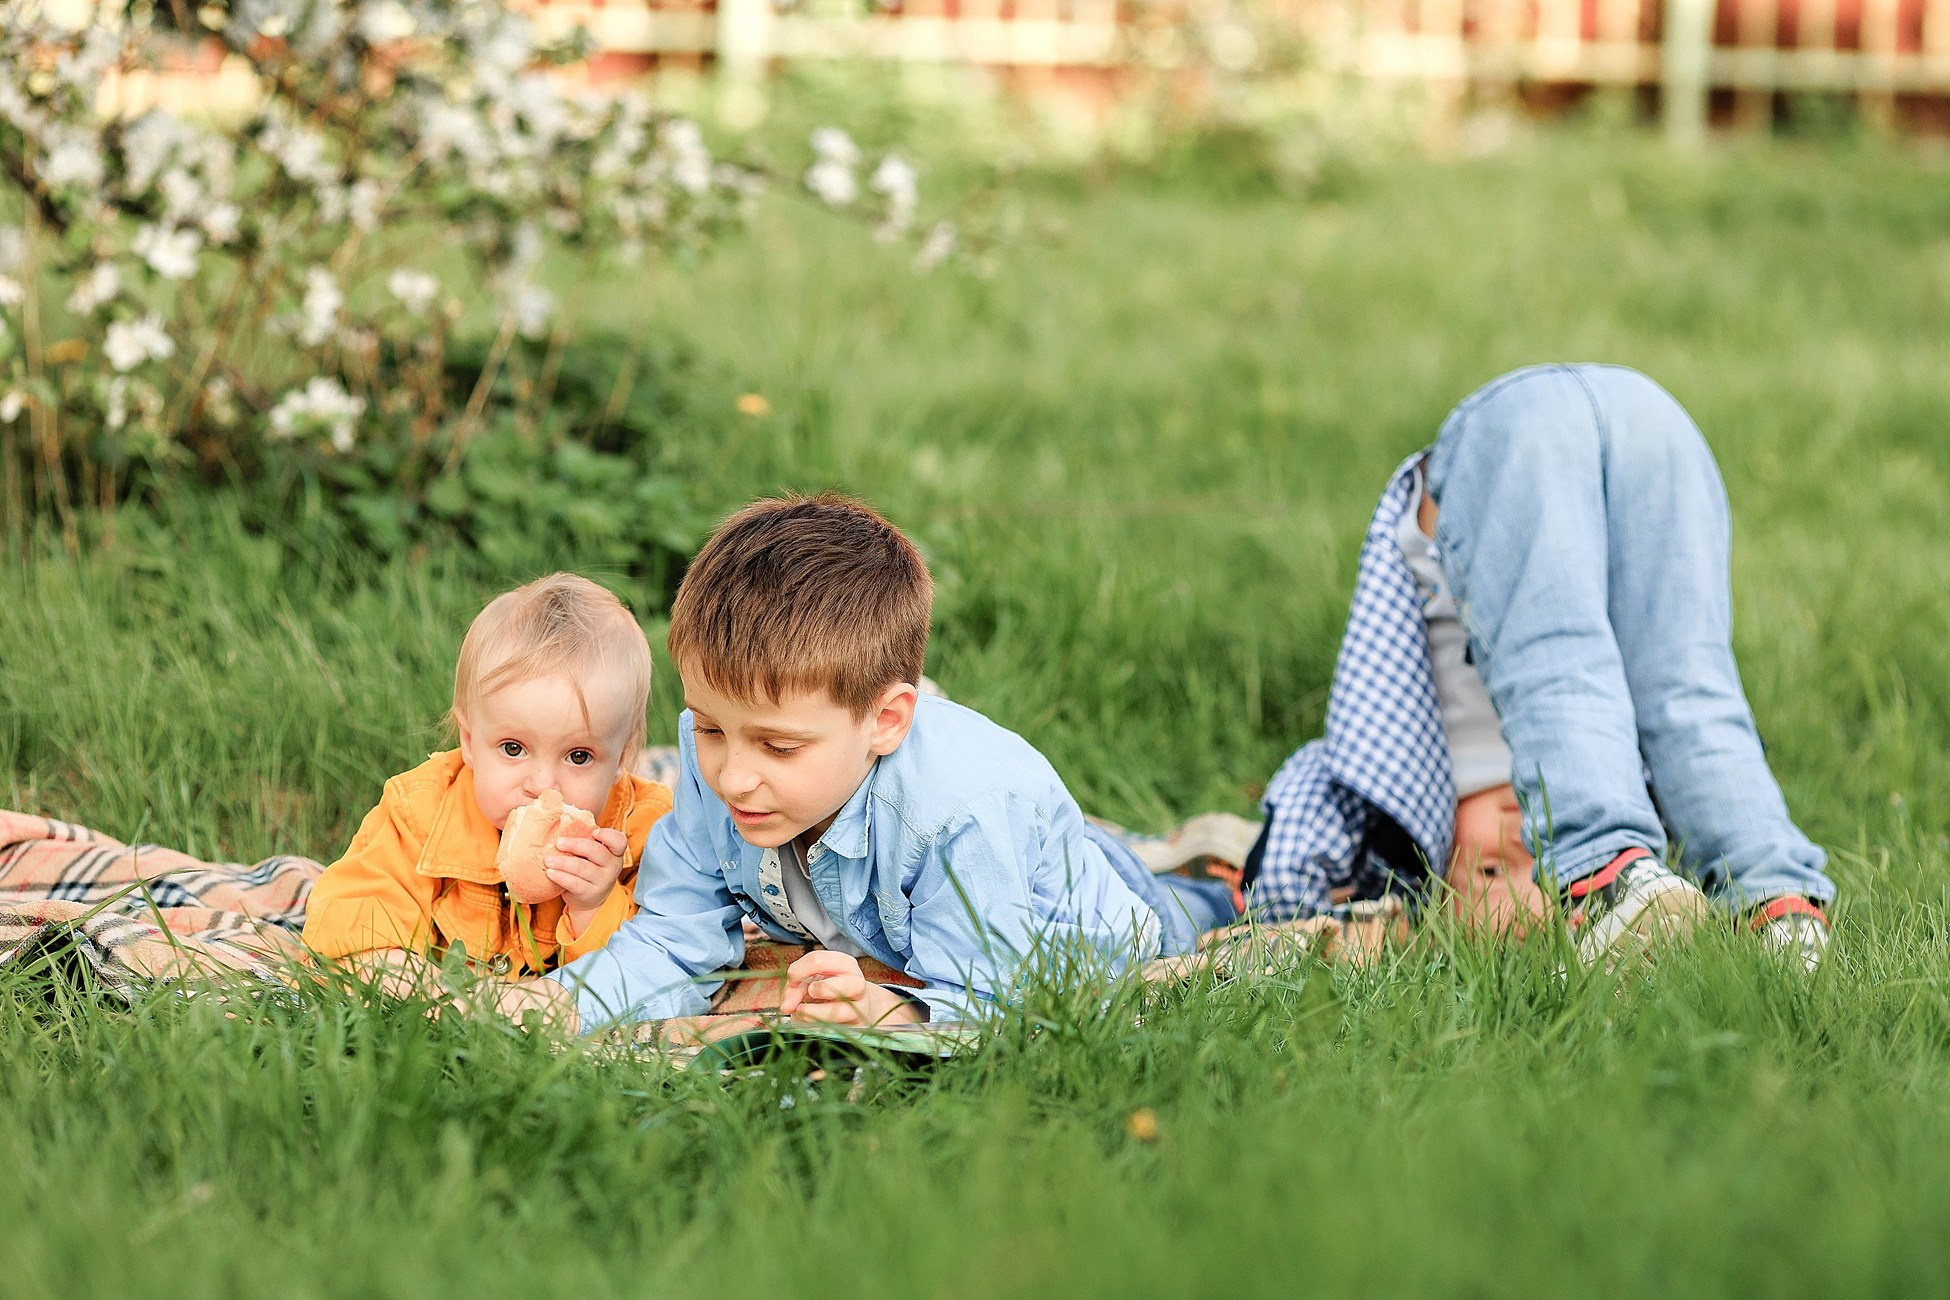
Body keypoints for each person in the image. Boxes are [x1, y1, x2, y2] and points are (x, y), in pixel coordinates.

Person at [497, 493, 1246, 1034]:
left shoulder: (963, 815)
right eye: (710, 728)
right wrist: (559, 1005)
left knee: (1169, 910)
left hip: (1075, 917)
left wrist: (895, 1009)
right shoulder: (710, 763)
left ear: (885, 721)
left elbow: (1002, 997)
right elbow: (676, 936)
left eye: (779, 746)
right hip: (892, 900)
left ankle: (1215, 891)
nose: (731, 776)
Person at [1246, 364, 1836, 968]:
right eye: (1542, 865)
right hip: (1650, 425)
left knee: (1557, 668)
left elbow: (1287, 872)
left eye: (1494, 868)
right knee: (1690, 696)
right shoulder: (1625, 776)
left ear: (1434, 876)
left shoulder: (1382, 803)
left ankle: (1604, 878)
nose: (1527, 829)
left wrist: (1356, 928)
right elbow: (1687, 735)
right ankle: (1779, 905)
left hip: (1510, 438)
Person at [302, 572, 673, 985]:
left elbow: (663, 961)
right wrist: (428, 993)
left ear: (622, 757)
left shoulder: (645, 830)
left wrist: (594, 907)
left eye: (579, 756)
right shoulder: (419, 814)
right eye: (513, 748)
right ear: (469, 740)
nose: (543, 786)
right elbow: (351, 927)